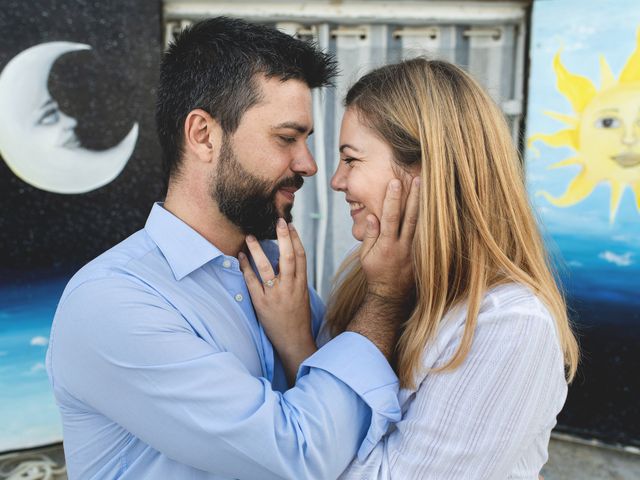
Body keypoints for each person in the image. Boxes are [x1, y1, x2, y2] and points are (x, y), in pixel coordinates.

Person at [46, 18, 418, 479]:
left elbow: (348, 439)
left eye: (306, 141)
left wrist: (298, 344)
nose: (308, 164)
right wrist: (384, 298)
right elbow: (302, 454)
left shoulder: (281, 269)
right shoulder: (112, 303)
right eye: (286, 138)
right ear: (203, 134)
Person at [241, 58, 580, 479]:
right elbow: (323, 433)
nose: (336, 181)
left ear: (425, 171)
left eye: (352, 159)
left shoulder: (508, 324)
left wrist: (298, 349)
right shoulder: (369, 277)